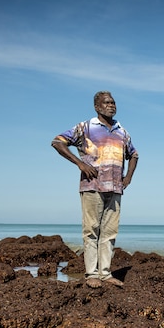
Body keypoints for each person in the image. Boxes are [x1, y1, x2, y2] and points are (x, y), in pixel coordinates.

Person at [52, 91, 139, 288]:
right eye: (107, 103)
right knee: (91, 230)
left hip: (115, 188)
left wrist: (128, 178)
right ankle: (91, 274)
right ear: (97, 107)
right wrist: (80, 164)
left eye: (113, 102)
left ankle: (105, 274)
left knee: (109, 233)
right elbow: (57, 142)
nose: (111, 105)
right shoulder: (86, 127)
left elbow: (134, 155)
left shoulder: (122, 131)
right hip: (92, 186)